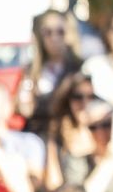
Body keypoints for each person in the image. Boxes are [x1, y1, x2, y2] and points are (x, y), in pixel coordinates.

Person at [16, 10, 82, 139]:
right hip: (35, 136)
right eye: (48, 32)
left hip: (66, 137)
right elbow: (24, 108)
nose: (54, 38)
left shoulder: (78, 69)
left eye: (60, 32)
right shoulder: (31, 70)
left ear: (69, 34)